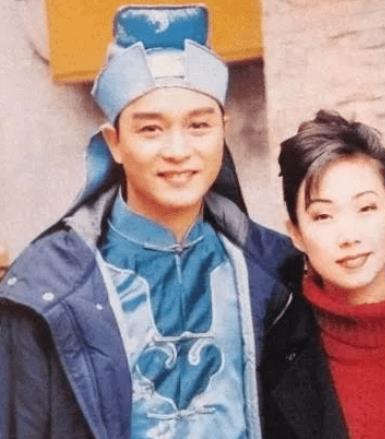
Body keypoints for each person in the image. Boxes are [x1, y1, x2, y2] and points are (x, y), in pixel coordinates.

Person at [0, 5, 297, 439]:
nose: (177, 150)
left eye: (198, 125)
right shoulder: (46, 289)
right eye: (151, 129)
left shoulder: (274, 272)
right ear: (114, 142)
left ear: (223, 130)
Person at [260, 110, 385, 439]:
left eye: (366, 208)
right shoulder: (272, 343)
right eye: (323, 216)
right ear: (295, 233)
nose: (349, 236)